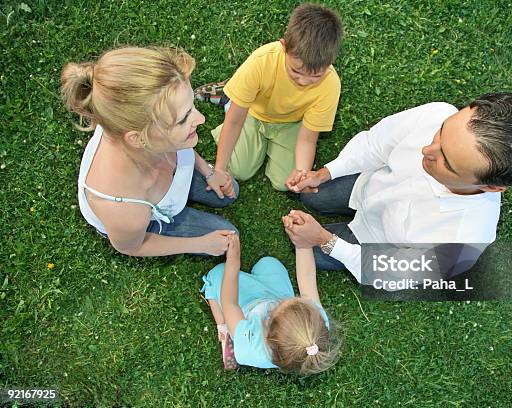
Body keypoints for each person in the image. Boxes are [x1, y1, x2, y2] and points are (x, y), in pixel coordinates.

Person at [284, 93, 512, 282]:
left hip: (375, 244)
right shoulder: (438, 113)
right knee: (310, 199)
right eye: (442, 132)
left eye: (447, 162)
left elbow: (389, 272)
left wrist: (324, 240)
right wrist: (325, 173)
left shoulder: (464, 244)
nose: (426, 150)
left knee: (306, 248)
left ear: (491, 187)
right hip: (366, 186)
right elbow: (374, 145)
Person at [61, 46, 239, 257]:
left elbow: (182, 145)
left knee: (231, 191)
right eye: (183, 119)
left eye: (191, 106)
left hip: (163, 173)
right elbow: (132, 246)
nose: (201, 119)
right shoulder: (123, 209)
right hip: (148, 215)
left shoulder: (152, 133)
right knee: (230, 237)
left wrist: (208, 172)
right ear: (138, 138)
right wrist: (201, 244)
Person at [196, 3, 343, 192]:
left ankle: (236, 92)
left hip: (291, 123)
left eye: (316, 76)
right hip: (254, 112)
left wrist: (301, 174)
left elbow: (307, 138)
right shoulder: (261, 61)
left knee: (284, 183)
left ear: (330, 62)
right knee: (240, 171)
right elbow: (234, 122)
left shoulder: (330, 84)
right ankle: (230, 97)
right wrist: (219, 169)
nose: (304, 81)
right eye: (296, 71)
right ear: (283, 46)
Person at [200, 223, 340, 375]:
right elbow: (307, 277)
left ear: (266, 331)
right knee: (269, 263)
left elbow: (230, 302)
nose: (289, 299)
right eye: (295, 300)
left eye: (281, 304)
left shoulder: (250, 341)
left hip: (244, 307)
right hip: (271, 294)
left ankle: (224, 330)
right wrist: (302, 244)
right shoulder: (315, 322)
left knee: (217, 275)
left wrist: (233, 262)